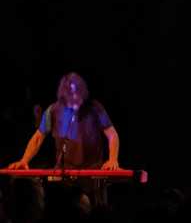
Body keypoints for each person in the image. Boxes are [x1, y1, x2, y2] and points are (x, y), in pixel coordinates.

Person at [7, 72, 120, 205]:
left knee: (97, 215)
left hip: (92, 174)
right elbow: (38, 137)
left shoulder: (95, 108)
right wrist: (24, 160)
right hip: (66, 176)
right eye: (70, 95)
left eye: (78, 94)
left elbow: (112, 135)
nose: (75, 98)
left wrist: (113, 159)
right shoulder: (52, 110)